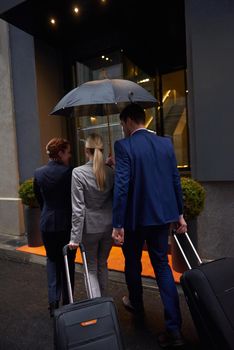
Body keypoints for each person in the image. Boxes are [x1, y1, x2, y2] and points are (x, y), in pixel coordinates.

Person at [112, 103, 187, 347]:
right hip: (161, 217)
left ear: (128, 121)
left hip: (134, 220)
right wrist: (179, 214)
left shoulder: (124, 146)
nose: (122, 128)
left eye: (122, 124)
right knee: (162, 268)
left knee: (132, 263)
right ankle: (174, 329)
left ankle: (137, 304)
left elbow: (123, 186)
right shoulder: (165, 144)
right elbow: (175, 180)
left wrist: (118, 223)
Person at [33, 137, 77, 317]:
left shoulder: (38, 173)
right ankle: (68, 302)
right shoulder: (69, 173)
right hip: (66, 224)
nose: (69, 156)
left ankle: (53, 302)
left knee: (52, 261)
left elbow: (39, 199)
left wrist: (47, 212)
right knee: (68, 263)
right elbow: (74, 200)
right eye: (67, 152)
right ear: (60, 153)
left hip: (47, 223)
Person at [69, 133, 114, 298]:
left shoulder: (78, 173)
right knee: (103, 264)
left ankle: (97, 305)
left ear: (86, 150)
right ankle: (105, 302)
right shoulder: (110, 172)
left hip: (90, 228)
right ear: (102, 149)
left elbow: (78, 208)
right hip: (109, 225)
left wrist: (74, 237)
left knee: (91, 267)